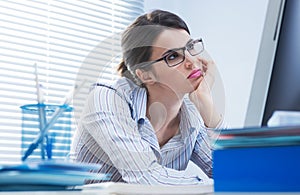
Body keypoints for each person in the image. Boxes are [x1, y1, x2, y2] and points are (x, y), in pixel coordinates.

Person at [71, 9, 226, 185]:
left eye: (190, 47)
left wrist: (209, 111)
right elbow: (146, 177)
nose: (192, 61)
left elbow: (235, 173)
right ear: (145, 75)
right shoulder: (106, 99)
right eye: (173, 56)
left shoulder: (191, 114)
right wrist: (209, 184)